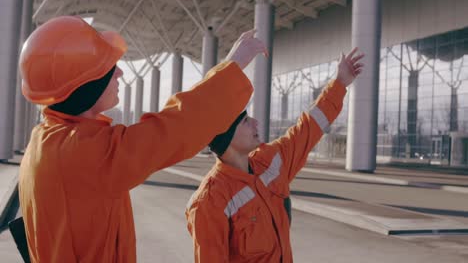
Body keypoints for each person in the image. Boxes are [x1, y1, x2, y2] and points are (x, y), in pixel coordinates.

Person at [18, 15, 266, 263]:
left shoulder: (45, 141)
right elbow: (175, 129)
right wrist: (234, 65)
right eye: (107, 68)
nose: (119, 72)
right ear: (85, 85)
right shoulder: (82, 153)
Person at [185, 48, 364, 263]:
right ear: (228, 138)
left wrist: (340, 84)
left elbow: (308, 128)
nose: (255, 123)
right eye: (245, 121)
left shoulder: (270, 162)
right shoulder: (210, 201)